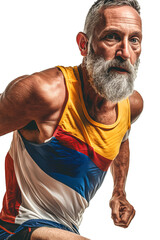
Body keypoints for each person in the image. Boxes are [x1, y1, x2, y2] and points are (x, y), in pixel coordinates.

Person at [0, 0, 143, 239]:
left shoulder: (131, 105)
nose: (125, 52)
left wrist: (119, 192)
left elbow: (121, 139)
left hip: (67, 230)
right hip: (17, 228)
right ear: (84, 44)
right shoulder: (44, 93)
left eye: (134, 40)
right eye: (112, 37)